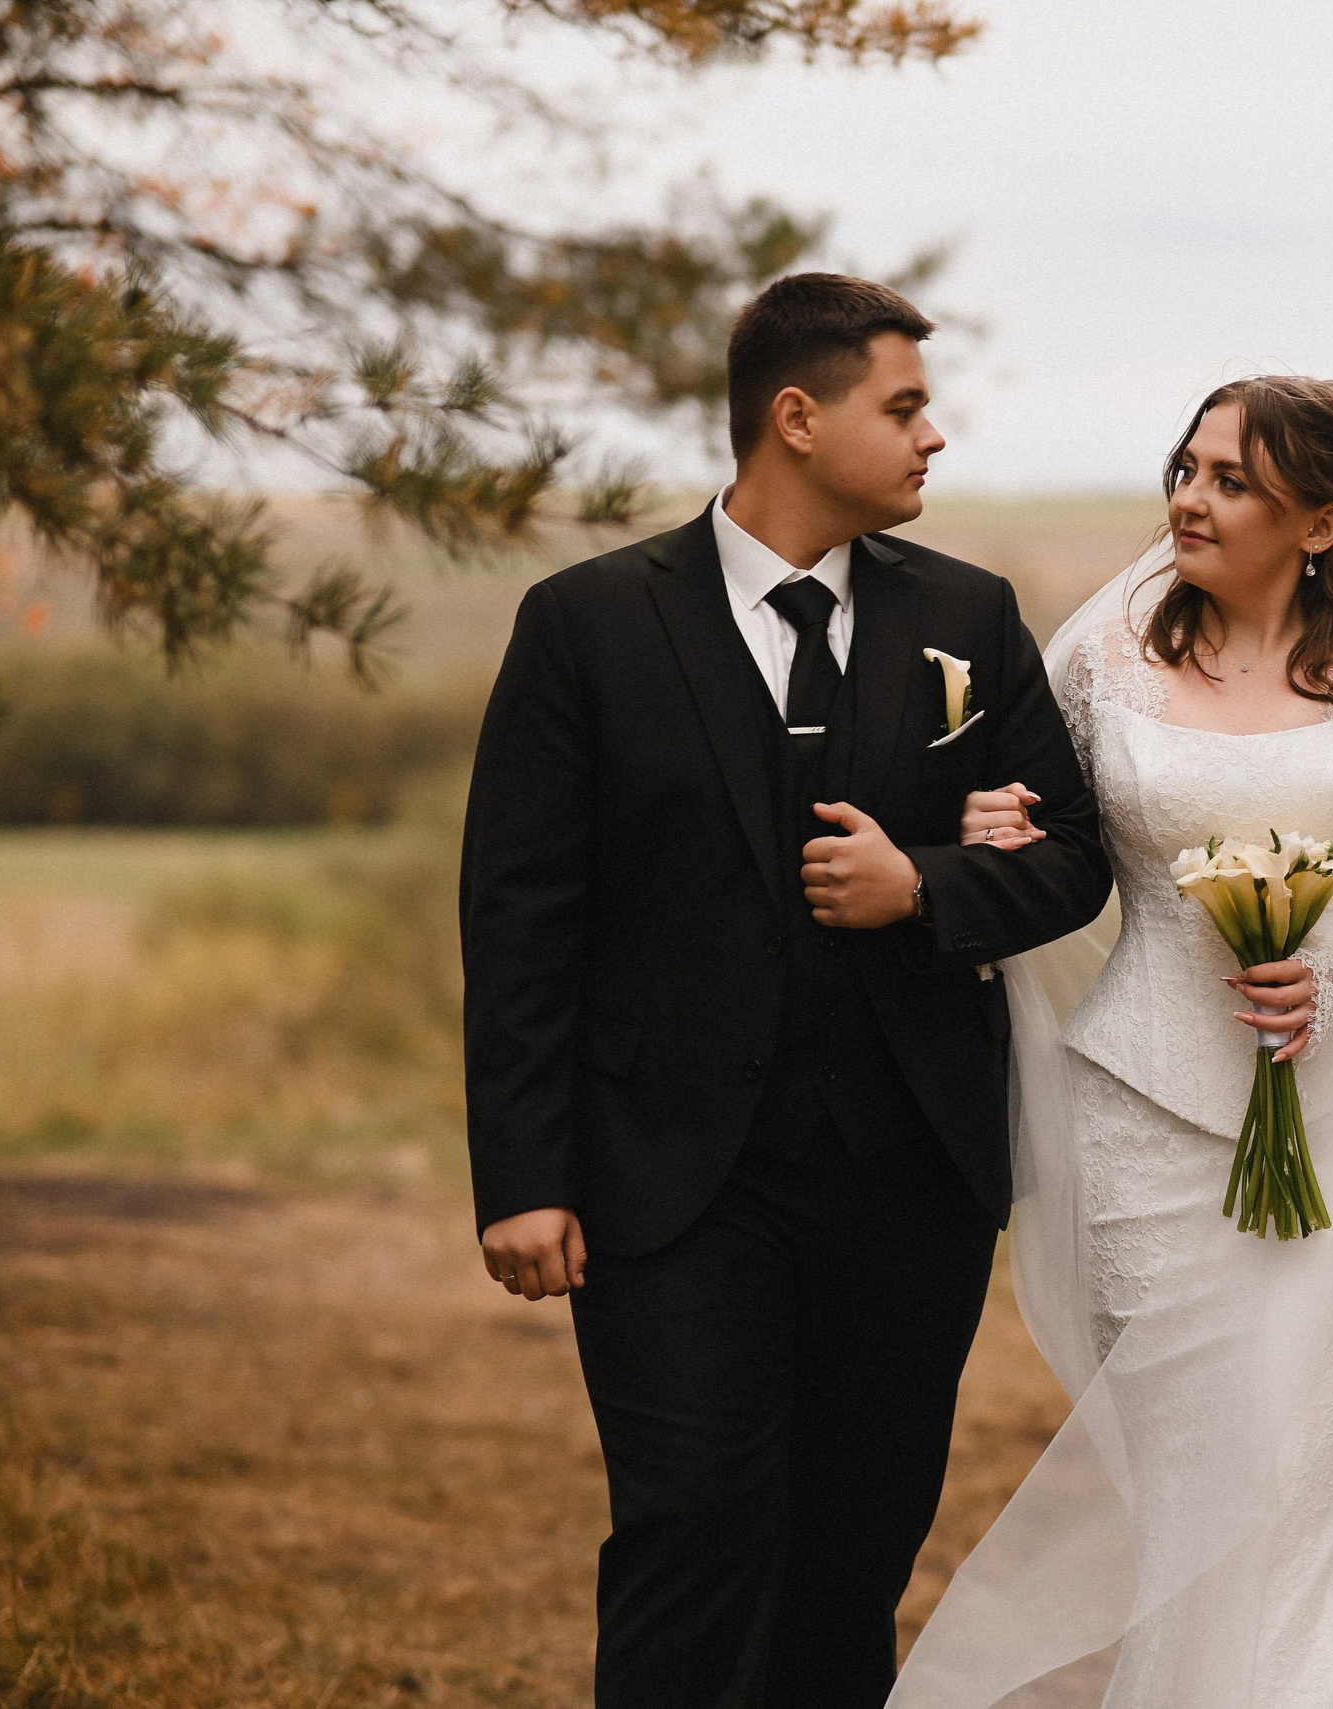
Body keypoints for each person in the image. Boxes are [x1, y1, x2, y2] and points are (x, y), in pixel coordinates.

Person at [459, 272, 1111, 1709]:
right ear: (797, 417)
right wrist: (522, 1172)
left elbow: (1072, 858)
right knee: (693, 1532)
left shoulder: (969, 617)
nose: (934, 437)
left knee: (849, 1556)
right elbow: (519, 917)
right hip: (670, 1179)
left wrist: (925, 887)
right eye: (906, 406)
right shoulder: (587, 623)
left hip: (909, 1180)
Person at [892, 378, 1333, 1708]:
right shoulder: (1102, 655)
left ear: (1322, 518)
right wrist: (995, 825)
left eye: (1233, 479)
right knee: (1194, 1490)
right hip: (1142, 1110)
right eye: (1187, 466)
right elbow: (1037, 829)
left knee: (1303, 1488)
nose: (1190, 495)